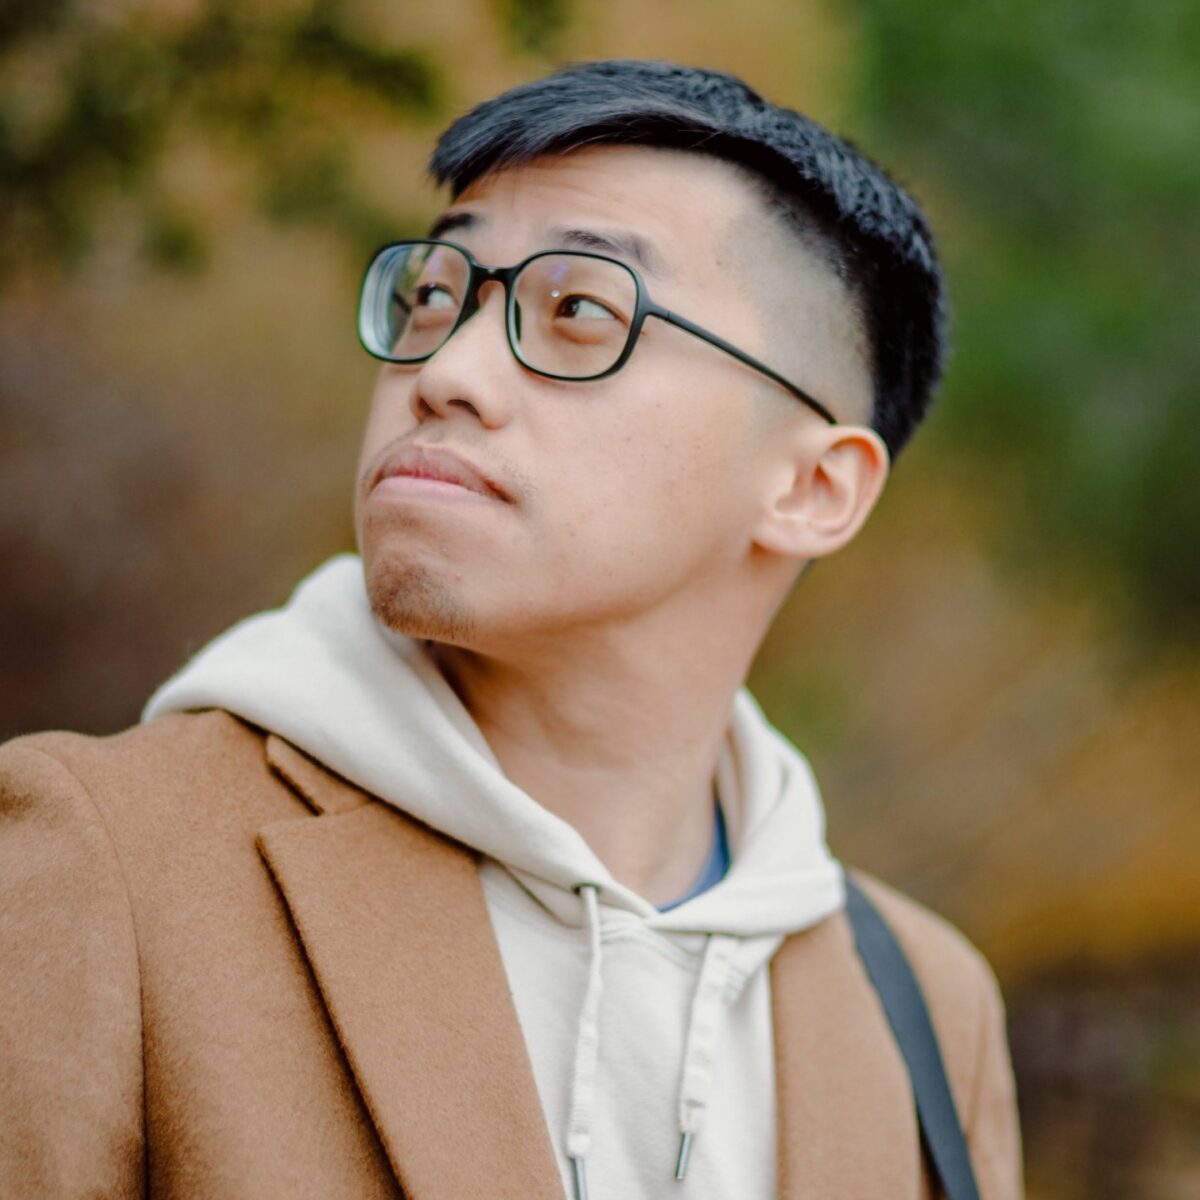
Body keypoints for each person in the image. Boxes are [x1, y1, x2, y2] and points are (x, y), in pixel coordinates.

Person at [0, 59, 1022, 1200]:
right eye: (435, 295)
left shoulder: (924, 1006)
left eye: (580, 311)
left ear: (815, 489)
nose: (444, 371)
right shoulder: (102, 866)